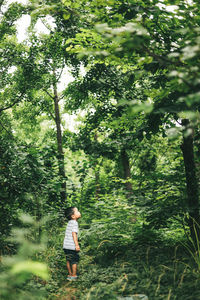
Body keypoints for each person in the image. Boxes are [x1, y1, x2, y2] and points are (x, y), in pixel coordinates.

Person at [63, 207, 81, 280]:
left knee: (68, 260)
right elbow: (74, 234)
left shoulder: (69, 222)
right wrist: (76, 245)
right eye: (77, 211)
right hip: (71, 246)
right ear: (73, 216)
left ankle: (69, 274)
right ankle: (74, 275)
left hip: (66, 245)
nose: (79, 212)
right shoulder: (75, 223)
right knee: (74, 261)